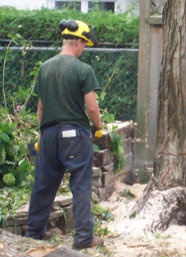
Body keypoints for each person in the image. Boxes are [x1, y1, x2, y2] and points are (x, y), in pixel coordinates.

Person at [26, 19, 103, 249]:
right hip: (75, 136)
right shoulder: (83, 70)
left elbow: (40, 107)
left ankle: (33, 233)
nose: (84, 49)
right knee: (80, 185)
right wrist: (98, 126)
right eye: (84, 45)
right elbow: (91, 106)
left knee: (43, 183)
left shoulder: (45, 67)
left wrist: (43, 134)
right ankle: (83, 238)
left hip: (48, 134)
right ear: (78, 42)